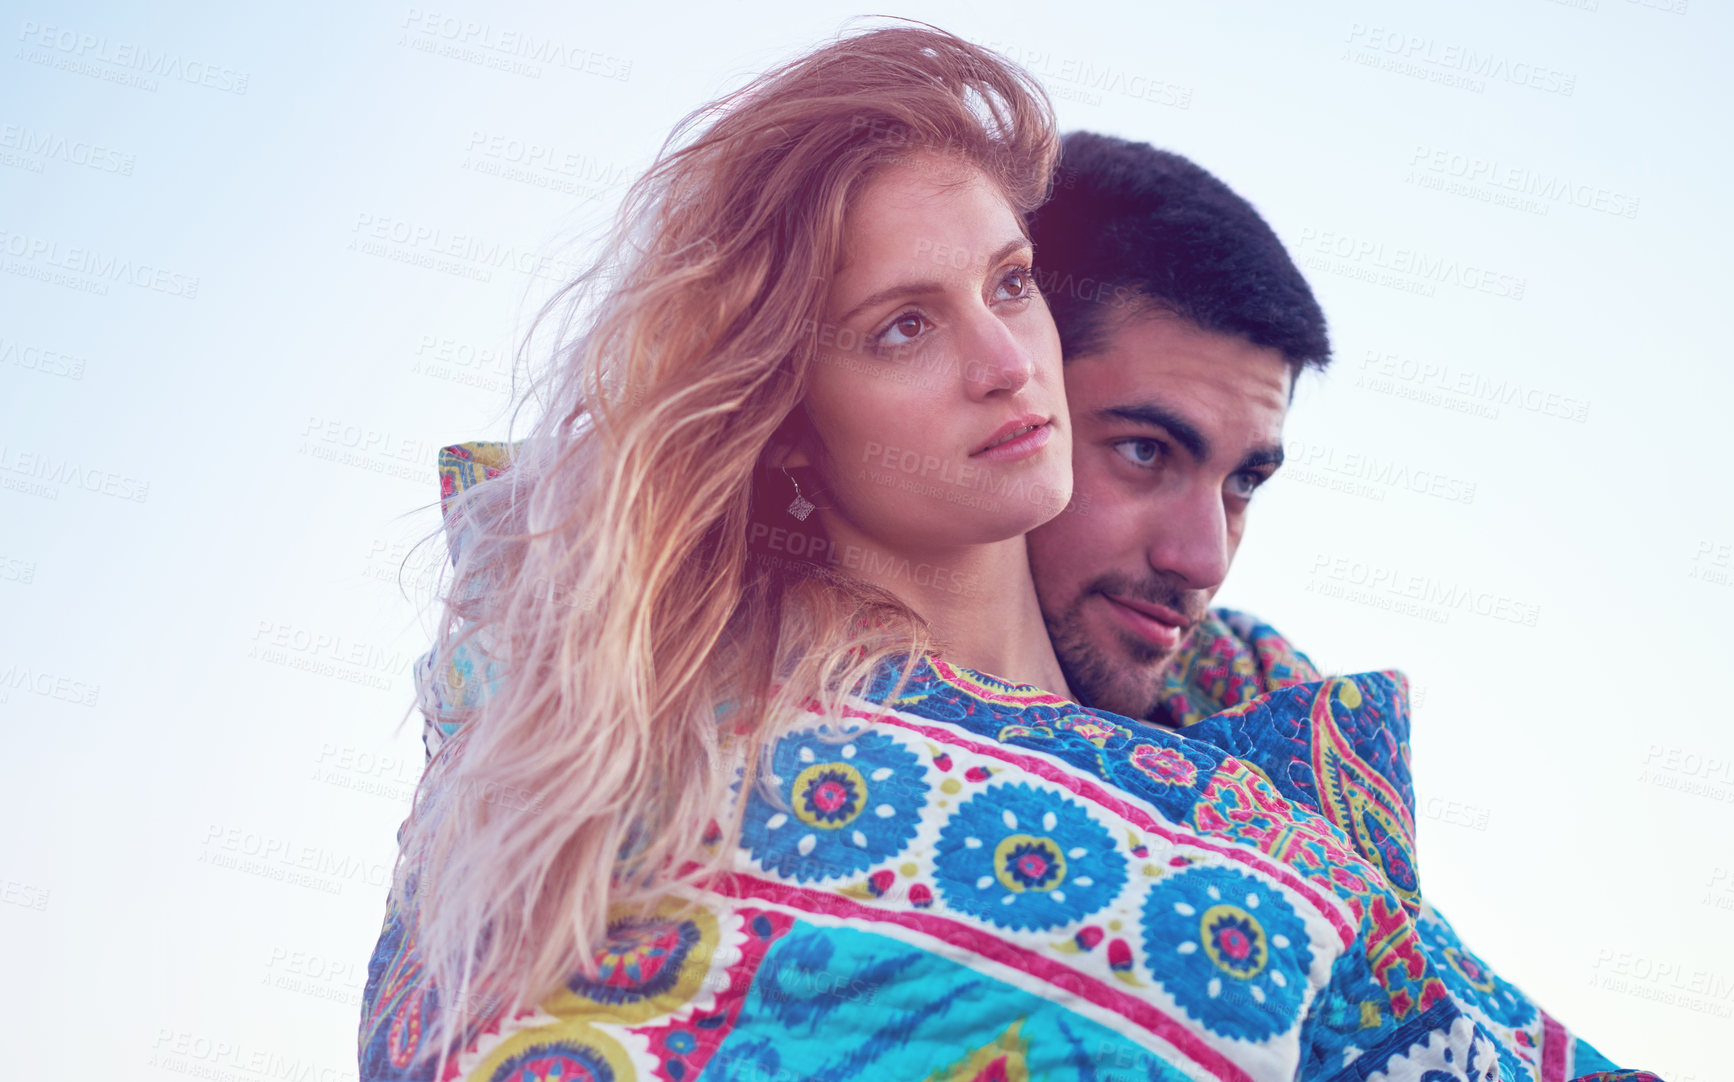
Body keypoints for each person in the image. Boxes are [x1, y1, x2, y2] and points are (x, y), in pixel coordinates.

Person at [362, 25, 1658, 1082]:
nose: (1000, 363)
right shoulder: (587, 772)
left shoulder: (1281, 817)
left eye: (1008, 284)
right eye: (900, 329)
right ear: (788, 424)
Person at [1023, 131, 1658, 1078]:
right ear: (1005, 404)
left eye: (1245, 482)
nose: (1201, 558)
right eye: (1146, 451)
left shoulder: (1267, 714)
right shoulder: (760, 721)